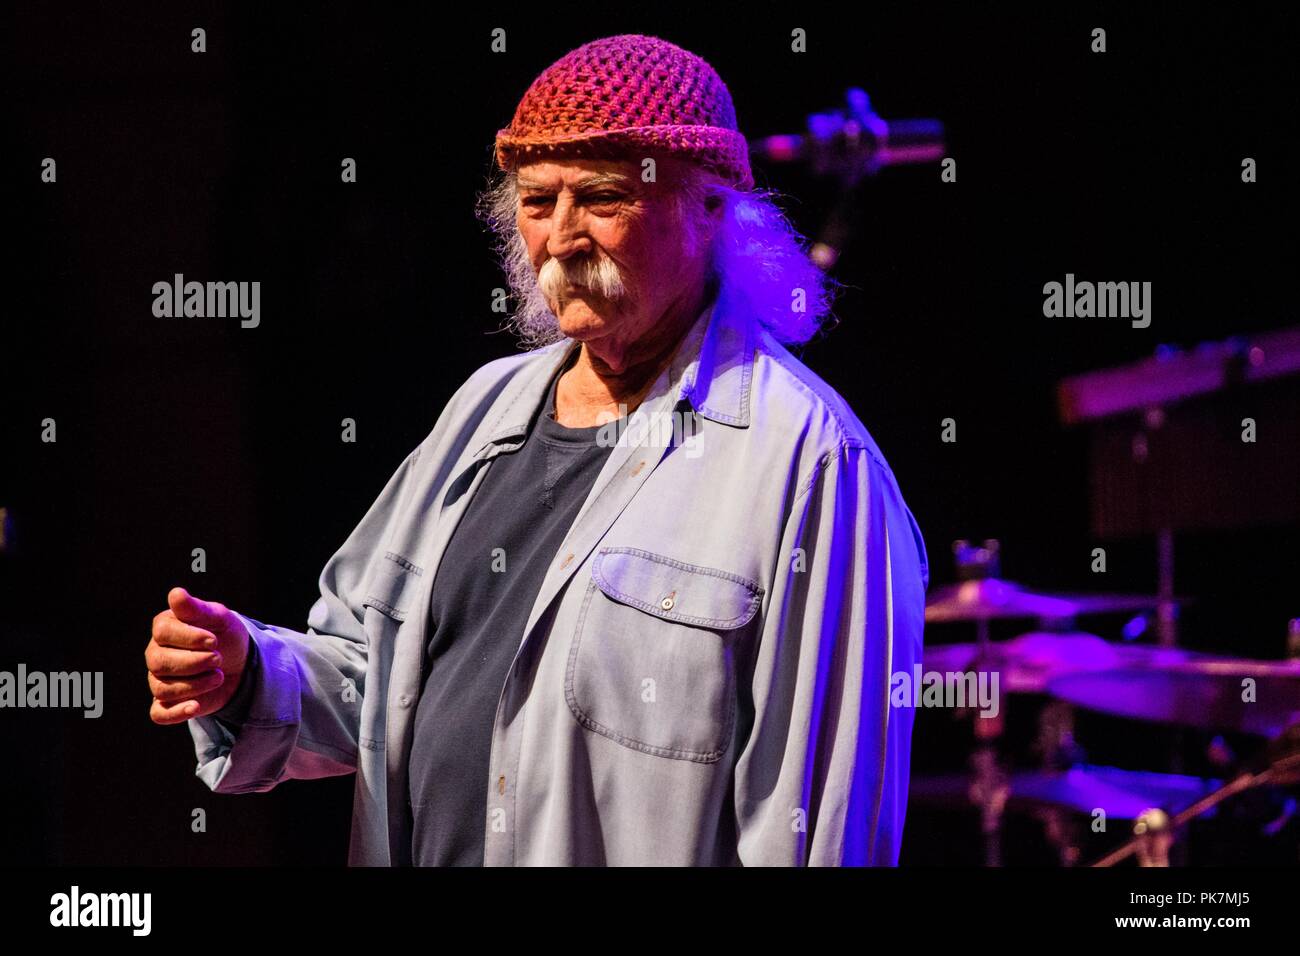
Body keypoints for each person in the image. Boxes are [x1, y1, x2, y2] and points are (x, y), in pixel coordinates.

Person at [144, 33, 929, 866]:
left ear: (709, 210)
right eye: (535, 200)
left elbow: (820, 826)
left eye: (601, 197)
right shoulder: (483, 409)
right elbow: (375, 680)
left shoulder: (805, 463)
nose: (560, 237)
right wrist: (246, 673)